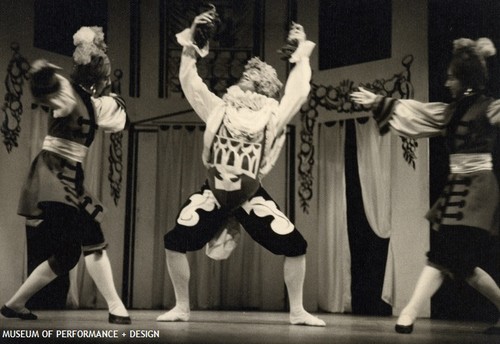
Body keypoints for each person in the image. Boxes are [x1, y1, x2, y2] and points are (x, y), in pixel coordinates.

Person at [156, 10, 324, 327]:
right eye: (244, 77)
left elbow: (299, 91)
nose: (244, 81)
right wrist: (193, 40)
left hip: (249, 195)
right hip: (215, 191)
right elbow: (190, 83)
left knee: (296, 245)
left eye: (252, 79)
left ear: (265, 88)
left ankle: (298, 311)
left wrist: (301, 53)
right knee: (175, 240)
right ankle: (181, 306)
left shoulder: (272, 115)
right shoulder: (220, 109)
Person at [351, 37, 500, 334]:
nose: (447, 83)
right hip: (458, 187)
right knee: (464, 267)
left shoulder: (490, 108)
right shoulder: (449, 112)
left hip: (479, 191)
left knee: (445, 255)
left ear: (466, 81)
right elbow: (416, 111)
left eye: (451, 78)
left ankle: (408, 313)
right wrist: (377, 101)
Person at [1, 26, 131, 324]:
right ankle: (116, 308)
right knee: (92, 236)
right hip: (55, 174)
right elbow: (48, 88)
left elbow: (118, 118)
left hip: (67, 176)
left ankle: (15, 304)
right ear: (98, 80)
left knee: (68, 254)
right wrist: (41, 73)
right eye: (104, 77)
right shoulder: (69, 95)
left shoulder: (92, 104)